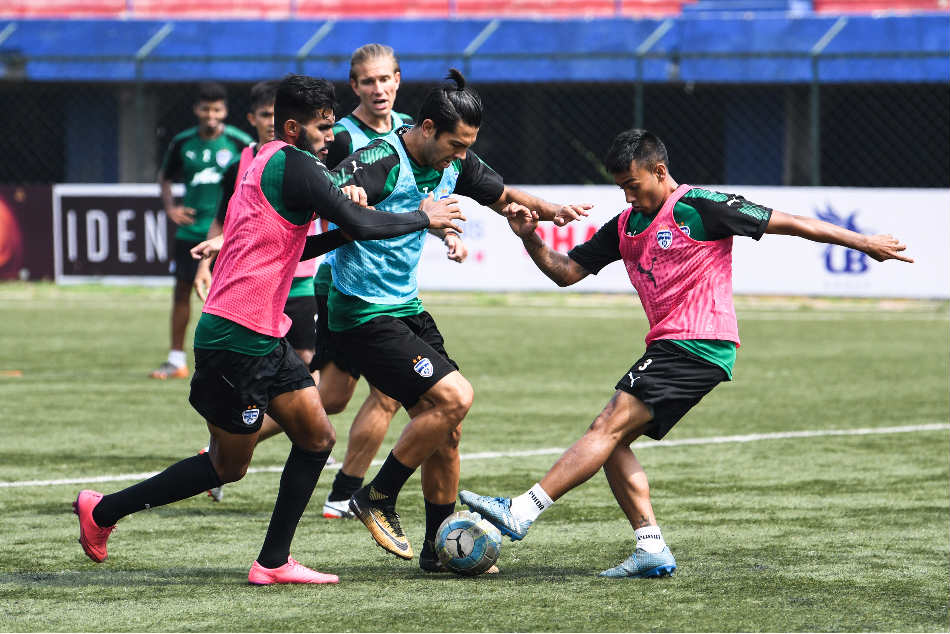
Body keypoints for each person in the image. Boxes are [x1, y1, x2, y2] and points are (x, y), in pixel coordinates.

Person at [459, 128, 914, 579]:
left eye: (633, 186)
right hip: (672, 345)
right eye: (620, 188)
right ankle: (650, 547)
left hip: (699, 341)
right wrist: (528, 237)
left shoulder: (699, 207)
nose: (627, 197)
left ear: (660, 171)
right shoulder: (624, 226)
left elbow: (791, 222)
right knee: (610, 443)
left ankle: (521, 510)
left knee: (605, 426)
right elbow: (567, 272)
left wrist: (864, 242)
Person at [72, 74, 465, 585]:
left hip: (261, 332)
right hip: (236, 336)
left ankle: (273, 562)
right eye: (324, 129)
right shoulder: (299, 166)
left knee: (317, 434)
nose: (332, 138)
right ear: (293, 127)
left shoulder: (261, 158)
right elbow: (365, 225)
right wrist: (422, 216)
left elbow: (298, 246)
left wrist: (342, 233)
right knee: (228, 465)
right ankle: (103, 511)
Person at [326, 68, 591, 572]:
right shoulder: (380, 159)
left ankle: (437, 551)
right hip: (360, 311)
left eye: (469, 145)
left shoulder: (456, 162)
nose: (463, 156)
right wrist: (348, 200)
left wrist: (552, 210)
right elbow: (321, 198)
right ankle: (375, 496)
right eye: (456, 144)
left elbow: (503, 193)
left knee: (447, 429)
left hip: (404, 307)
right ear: (426, 127)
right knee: (456, 396)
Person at [247, 45, 469, 523]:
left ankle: (253, 436)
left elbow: (436, 196)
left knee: (341, 399)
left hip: (397, 298)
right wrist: (358, 204)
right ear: (355, 87)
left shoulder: (417, 131)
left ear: (398, 80)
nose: (378, 89)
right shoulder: (339, 143)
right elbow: (310, 206)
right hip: (347, 290)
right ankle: (356, 492)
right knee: (392, 397)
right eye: (368, 81)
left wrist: (448, 228)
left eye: (385, 79)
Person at [151, 82, 253, 380]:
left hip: (225, 234)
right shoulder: (183, 142)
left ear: (225, 111)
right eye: (206, 109)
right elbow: (165, 177)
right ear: (197, 110)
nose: (211, 115)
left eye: (217, 109)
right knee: (181, 293)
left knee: (229, 297)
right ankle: (175, 360)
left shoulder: (239, 142)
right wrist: (171, 208)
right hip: (190, 232)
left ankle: (231, 360)